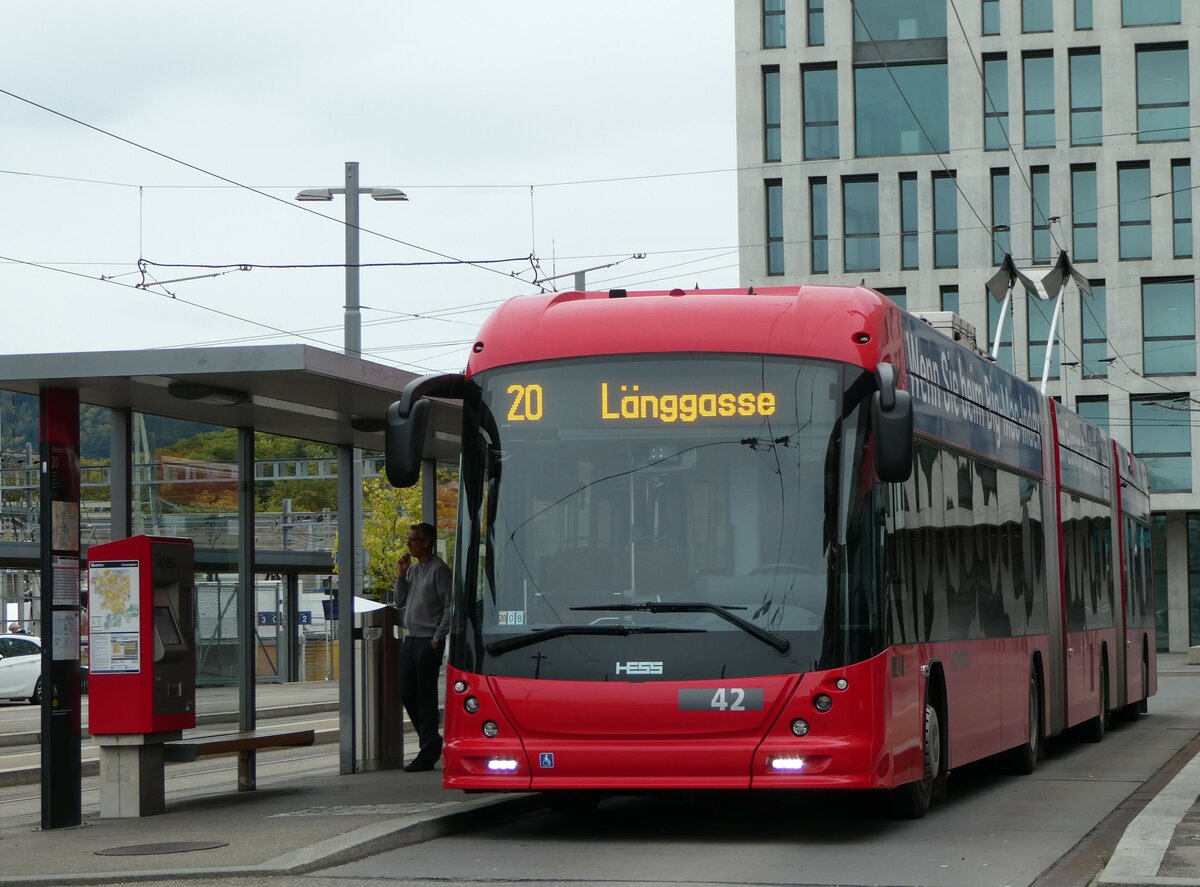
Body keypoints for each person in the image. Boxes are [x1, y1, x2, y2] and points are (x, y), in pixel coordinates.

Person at [392, 522, 452, 772]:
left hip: (428, 639)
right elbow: (399, 600)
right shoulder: (414, 570)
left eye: (414, 539)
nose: (409, 544)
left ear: (426, 542)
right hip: (411, 637)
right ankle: (431, 741)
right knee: (407, 692)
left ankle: (428, 750)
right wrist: (401, 574)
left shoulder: (439, 570)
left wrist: (438, 636)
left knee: (425, 695)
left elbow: (450, 605)